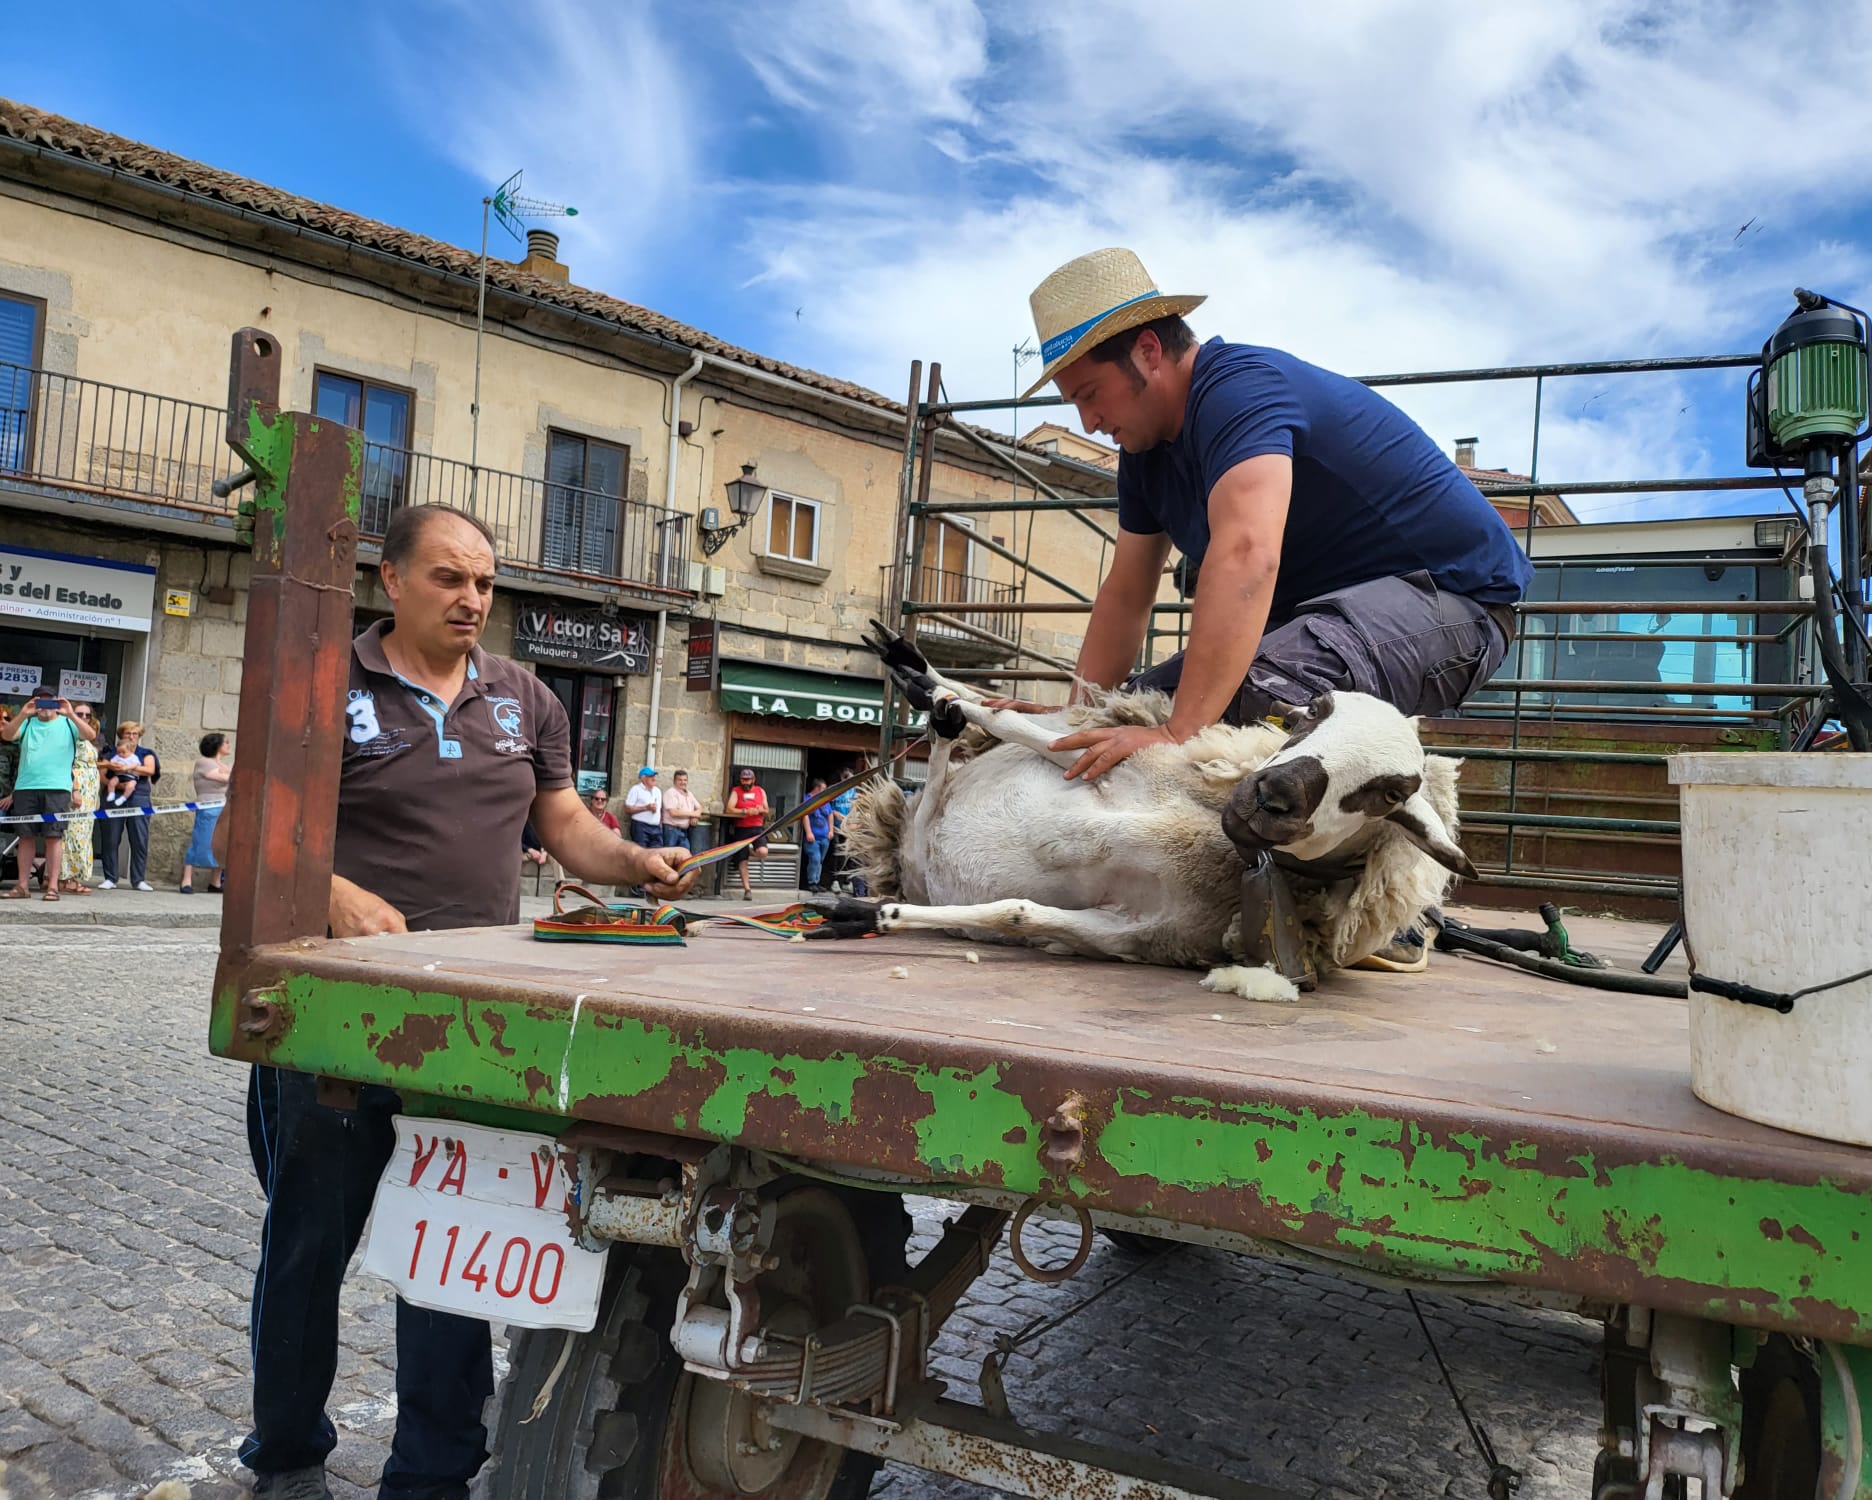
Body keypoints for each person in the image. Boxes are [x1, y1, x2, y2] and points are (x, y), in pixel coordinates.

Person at [239, 504, 694, 1500]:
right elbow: (258, 820)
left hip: (473, 1025)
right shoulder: (329, 681)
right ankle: (285, 1457)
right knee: (308, 1246)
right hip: (338, 1017)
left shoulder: (524, 695)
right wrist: (327, 891)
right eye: (448, 578)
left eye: (484, 583)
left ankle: (434, 1474)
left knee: (454, 1251)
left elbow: (567, 826)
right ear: (391, 580)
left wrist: (634, 862)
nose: (471, 599)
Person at [1010, 249, 1532, 969]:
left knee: (1242, 701)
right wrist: (1080, 719)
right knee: (1127, 717)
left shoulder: (1238, 391)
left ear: (1149, 351)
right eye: (1075, 406)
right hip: (1317, 622)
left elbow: (1248, 553)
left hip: (1454, 604)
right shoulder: (1147, 454)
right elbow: (1127, 591)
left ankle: (1387, 910)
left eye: (1091, 394)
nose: (1090, 420)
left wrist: (1183, 731)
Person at [0, 694, 96, 901]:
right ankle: (22, 886)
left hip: (58, 788)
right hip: (26, 787)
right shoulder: (27, 723)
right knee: (25, 837)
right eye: (40, 702)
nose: (44, 707)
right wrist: (23, 713)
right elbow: (7, 736)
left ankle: (52, 886)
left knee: (54, 837)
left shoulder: (68, 723)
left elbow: (90, 735)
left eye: (49, 702)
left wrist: (70, 712)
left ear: (57, 703)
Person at [96, 720, 158, 890]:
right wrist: (114, 776)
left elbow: (149, 770)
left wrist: (129, 768)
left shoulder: (146, 753)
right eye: (128, 733)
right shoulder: (110, 752)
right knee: (111, 838)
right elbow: (101, 773)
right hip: (113, 796)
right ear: (121, 735)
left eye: (135, 734)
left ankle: (138, 879)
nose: (131, 737)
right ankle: (110, 878)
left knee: (139, 838)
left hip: (139, 797)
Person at [181, 731, 232, 894]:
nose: (228, 745)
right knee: (201, 840)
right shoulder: (204, 762)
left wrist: (227, 774)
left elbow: (231, 777)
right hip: (208, 806)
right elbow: (221, 778)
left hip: (224, 807)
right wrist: (227, 775)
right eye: (226, 742)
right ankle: (186, 880)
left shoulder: (226, 765)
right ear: (217, 745)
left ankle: (215, 882)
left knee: (221, 842)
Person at [62, 703, 101, 894]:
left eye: (87, 714)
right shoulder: (67, 734)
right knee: (72, 833)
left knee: (84, 834)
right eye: (80, 714)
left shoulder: (87, 736)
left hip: (91, 791)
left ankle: (76, 877)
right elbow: (65, 763)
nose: (84, 717)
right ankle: (67, 877)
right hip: (77, 785)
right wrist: (74, 789)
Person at [724, 766, 771, 901]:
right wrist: (744, 812)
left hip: (757, 827)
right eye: (743, 780)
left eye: (748, 780)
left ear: (753, 780)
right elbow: (729, 808)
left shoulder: (760, 791)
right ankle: (747, 890)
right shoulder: (736, 791)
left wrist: (760, 810)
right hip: (742, 828)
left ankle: (746, 851)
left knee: (763, 852)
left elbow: (767, 810)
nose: (745, 782)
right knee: (742, 861)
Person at [659, 768, 703, 857]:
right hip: (671, 830)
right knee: (669, 857)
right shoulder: (670, 793)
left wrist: (694, 817)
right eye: (680, 780)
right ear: (674, 781)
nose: (683, 782)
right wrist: (693, 814)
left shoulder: (689, 793)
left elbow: (700, 807)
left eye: (685, 780)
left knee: (685, 857)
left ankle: (681, 872)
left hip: (684, 831)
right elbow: (673, 812)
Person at [801, 777, 832, 893]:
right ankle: (811, 882)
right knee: (815, 858)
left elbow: (830, 814)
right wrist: (808, 832)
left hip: (824, 836)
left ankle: (817, 881)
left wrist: (831, 830)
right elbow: (805, 816)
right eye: (823, 788)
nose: (825, 790)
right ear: (817, 788)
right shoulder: (807, 799)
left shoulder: (825, 800)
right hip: (813, 836)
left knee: (820, 861)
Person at [622, 765, 663, 849]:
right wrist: (646, 808)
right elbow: (627, 808)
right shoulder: (636, 789)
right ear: (643, 778)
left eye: (654, 776)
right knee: (641, 852)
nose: (654, 778)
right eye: (651, 776)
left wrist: (660, 823)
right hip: (640, 826)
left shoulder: (657, 791)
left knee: (656, 852)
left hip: (655, 827)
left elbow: (660, 809)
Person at [101, 726, 143, 805]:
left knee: (131, 786)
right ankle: (111, 794)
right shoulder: (117, 756)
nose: (121, 754)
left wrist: (126, 767)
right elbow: (111, 763)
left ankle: (124, 797)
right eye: (119, 752)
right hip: (119, 776)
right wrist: (114, 765)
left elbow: (135, 764)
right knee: (112, 782)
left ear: (130, 751)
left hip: (131, 777)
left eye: (123, 752)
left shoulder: (133, 757)